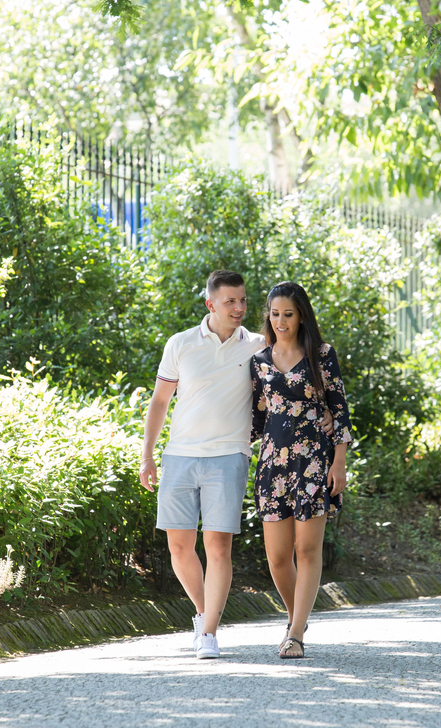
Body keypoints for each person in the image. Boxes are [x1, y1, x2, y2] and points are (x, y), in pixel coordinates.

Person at [139, 270, 333, 660]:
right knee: (178, 545)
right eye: (231, 302)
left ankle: (208, 633)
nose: (240, 308)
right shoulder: (180, 344)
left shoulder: (260, 347)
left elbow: (303, 378)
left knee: (218, 546)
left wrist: (324, 416)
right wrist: (148, 454)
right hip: (179, 453)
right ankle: (203, 612)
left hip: (230, 456)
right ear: (210, 304)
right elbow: (160, 402)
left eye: (243, 300)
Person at [249, 281, 353, 659]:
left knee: (306, 549)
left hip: (313, 460)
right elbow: (256, 418)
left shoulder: (322, 355)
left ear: (302, 315)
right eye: (274, 314)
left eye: (288, 314)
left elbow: (339, 409)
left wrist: (339, 462)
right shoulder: (259, 361)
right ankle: (299, 619)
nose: (280, 321)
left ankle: (295, 633)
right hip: (273, 464)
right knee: (277, 557)